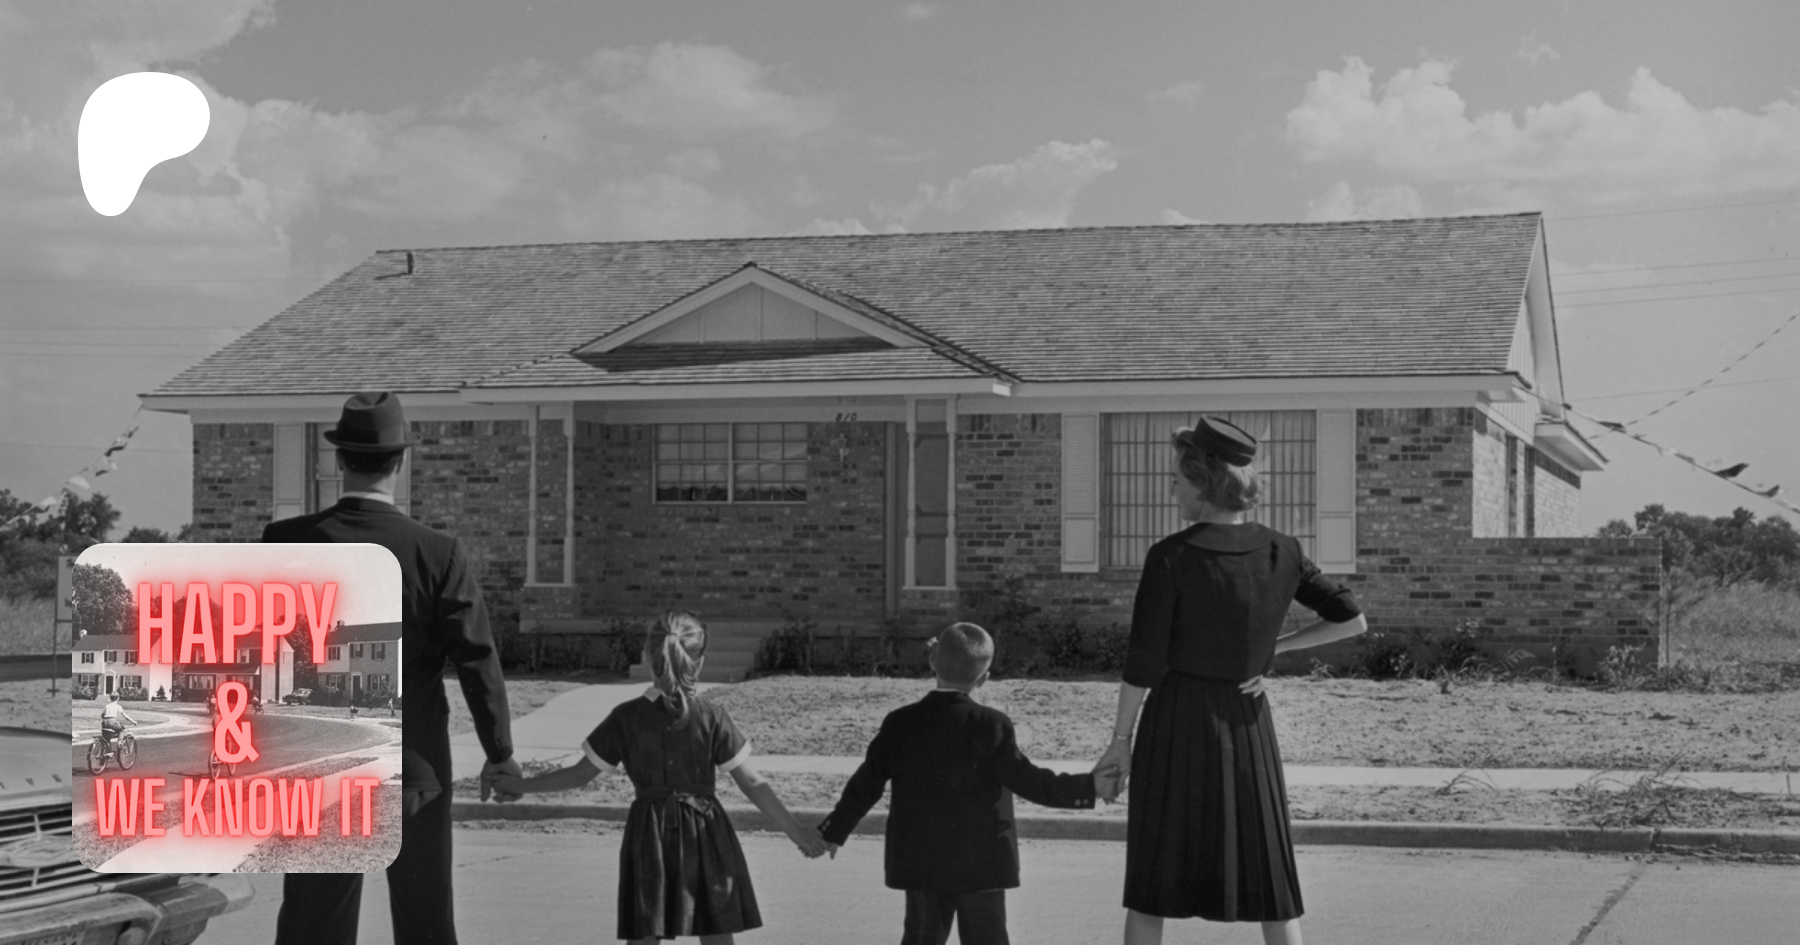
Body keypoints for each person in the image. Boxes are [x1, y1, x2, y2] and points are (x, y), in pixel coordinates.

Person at [1091, 416, 1367, 945]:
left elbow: (1142, 663)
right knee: (1271, 883)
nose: (1172, 490)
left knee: (1152, 885)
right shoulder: (1283, 550)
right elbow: (1352, 618)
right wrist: (1270, 651)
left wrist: (1120, 741)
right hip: (1248, 725)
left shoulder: (1169, 556)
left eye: (1176, 479)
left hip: (1174, 726)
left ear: (1202, 483)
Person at [264, 391, 521, 945]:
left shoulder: (283, 543)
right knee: (426, 923)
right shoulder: (437, 553)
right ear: (401, 462)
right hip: (413, 768)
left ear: (339, 459)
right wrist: (500, 754)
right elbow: (477, 659)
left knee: (313, 928)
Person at [492, 611, 826, 944]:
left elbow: (579, 775)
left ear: (648, 657)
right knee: (716, 931)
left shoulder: (625, 717)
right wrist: (799, 833)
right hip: (706, 833)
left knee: (645, 929)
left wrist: (518, 785)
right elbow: (752, 783)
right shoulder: (712, 716)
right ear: (699, 662)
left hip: (649, 834)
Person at [816, 622, 1120, 945]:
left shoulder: (899, 722)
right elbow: (1031, 782)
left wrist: (833, 831)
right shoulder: (992, 725)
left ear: (932, 662)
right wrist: (1090, 787)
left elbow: (866, 784)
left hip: (922, 865)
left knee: (921, 939)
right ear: (983, 679)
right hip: (983, 866)